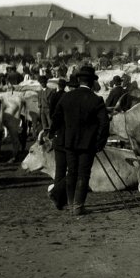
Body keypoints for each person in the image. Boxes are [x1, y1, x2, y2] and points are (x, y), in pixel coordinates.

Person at [47, 66, 110, 216]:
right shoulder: (96, 100)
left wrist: (53, 133)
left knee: (72, 172)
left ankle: (70, 204)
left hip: (68, 142)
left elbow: (56, 118)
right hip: (87, 144)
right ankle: (78, 206)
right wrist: (100, 143)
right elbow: (104, 123)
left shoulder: (66, 97)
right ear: (92, 82)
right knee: (84, 174)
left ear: (79, 80)